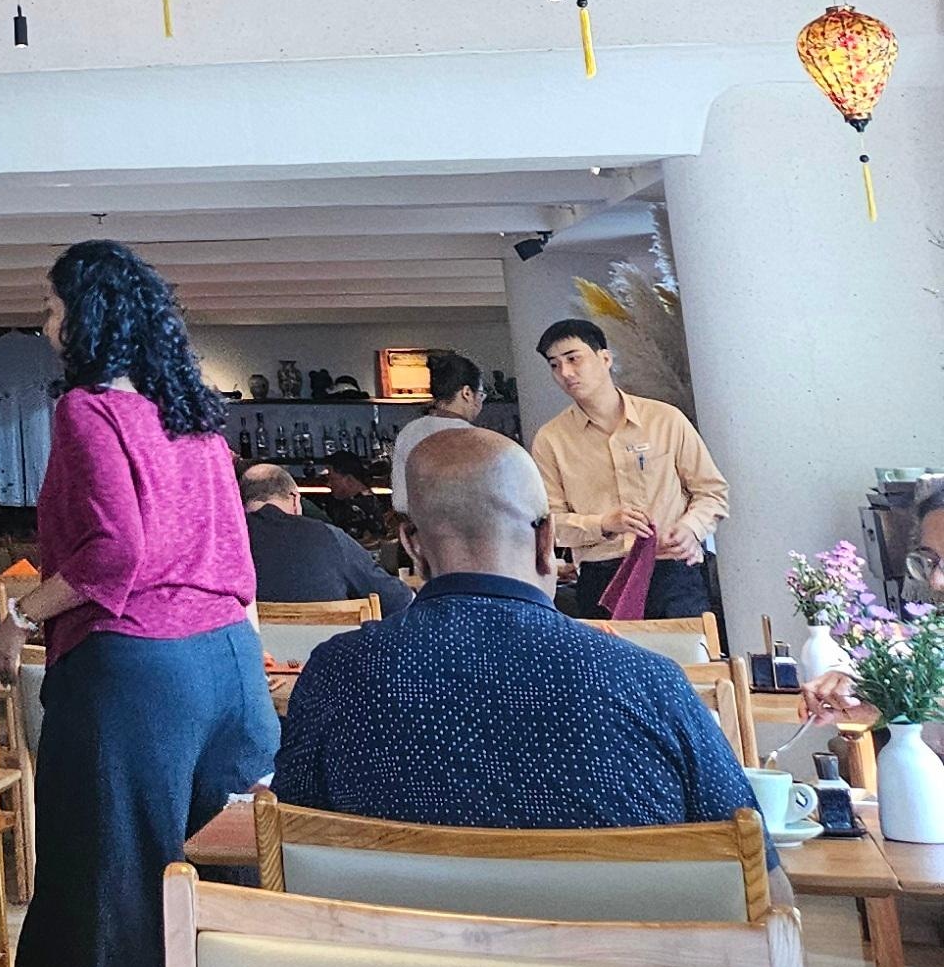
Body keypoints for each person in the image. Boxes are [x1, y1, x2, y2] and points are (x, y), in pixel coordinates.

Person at [0, 243, 275, 967]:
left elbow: (116, 550)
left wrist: (17, 621)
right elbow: (236, 548)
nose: (45, 324)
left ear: (87, 315)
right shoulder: (191, 411)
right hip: (224, 660)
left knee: (109, 872)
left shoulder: (88, 411)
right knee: (198, 870)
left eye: (51, 307)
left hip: (138, 666)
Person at [273, 430, 755, 829]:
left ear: (412, 547)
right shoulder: (650, 682)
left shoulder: (338, 675)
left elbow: (292, 837)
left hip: (397, 944)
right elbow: (754, 875)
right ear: (547, 539)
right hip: (614, 947)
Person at [529, 316, 728, 624]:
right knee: (610, 671)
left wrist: (692, 528)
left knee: (689, 667)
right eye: (554, 365)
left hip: (671, 568)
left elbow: (711, 491)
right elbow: (549, 523)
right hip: (602, 576)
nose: (565, 373)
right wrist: (604, 523)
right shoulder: (551, 439)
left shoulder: (665, 419)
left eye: (573, 359)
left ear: (605, 358)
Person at [239, 460, 407, 619]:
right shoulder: (329, 536)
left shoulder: (224, 545)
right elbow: (397, 600)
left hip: (253, 649)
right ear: (295, 499)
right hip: (329, 647)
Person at [386, 351, 486, 523]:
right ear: (467, 393)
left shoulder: (409, 432)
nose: (480, 402)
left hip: (421, 536)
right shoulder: (475, 438)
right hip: (466, 534)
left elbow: (400, 502)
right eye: (481, 395)